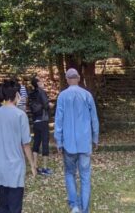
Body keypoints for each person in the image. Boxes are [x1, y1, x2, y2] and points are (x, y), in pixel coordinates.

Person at [54, 68, 99, 213]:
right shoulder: (87, 95)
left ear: (67, 79)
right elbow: (94, 119)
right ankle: (84, 208)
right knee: (85, 176)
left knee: (69, 173)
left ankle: (74, 205)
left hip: (68, 143)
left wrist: (59, 140)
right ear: (79, 78)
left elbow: (58, 120)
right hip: (85, 142)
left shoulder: (62, 96)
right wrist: (95, 137)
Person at [0, 79, 37, 213]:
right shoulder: (20, 115)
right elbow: (26, 144)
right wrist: (32, 164)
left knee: (2, 206)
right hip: (15, 167)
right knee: (15, 207)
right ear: (17, 94)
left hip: (0, 166)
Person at [27, 76, 52, 175]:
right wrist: (50, 106)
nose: (42, 82)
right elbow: (46, 105)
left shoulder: (31, 94)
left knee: (36, 142)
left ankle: (35, 165)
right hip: (43, 119)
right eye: (40, 80)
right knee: (45, 142)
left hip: (35, 121)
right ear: (37, 83)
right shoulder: (41, 92)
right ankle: (45, 168)